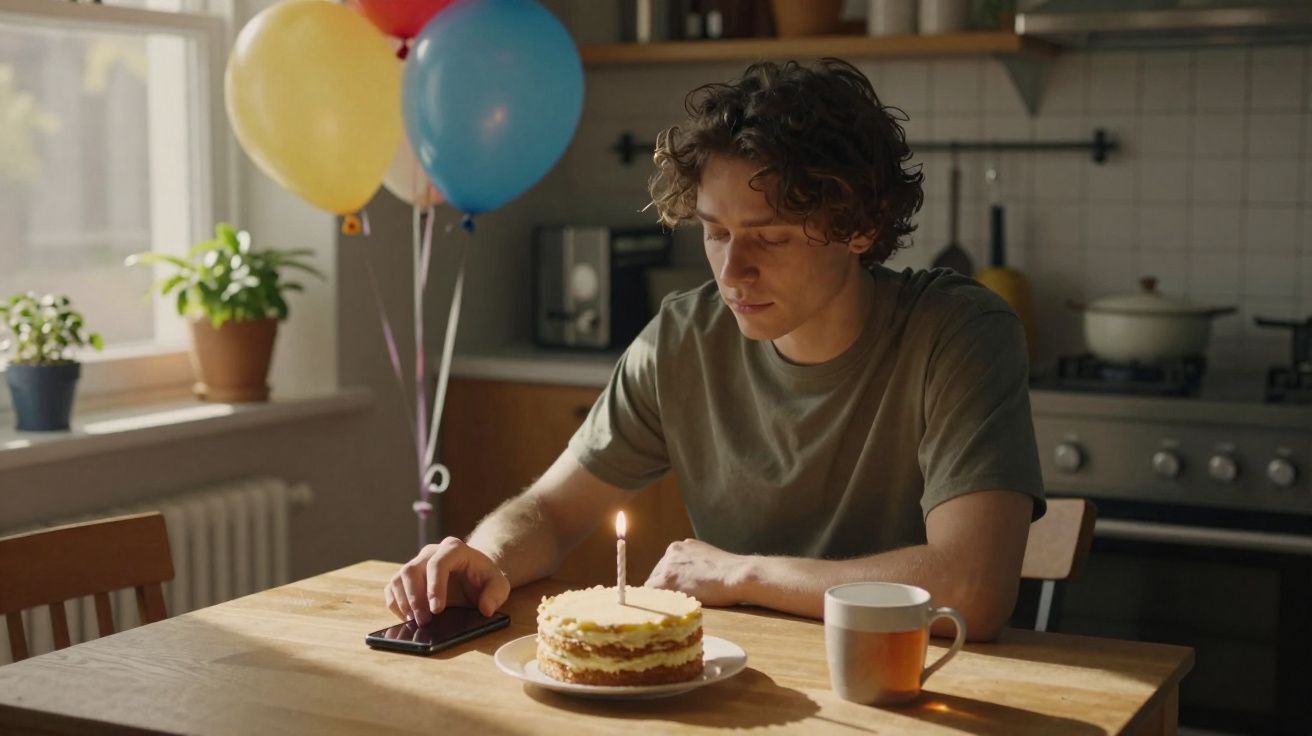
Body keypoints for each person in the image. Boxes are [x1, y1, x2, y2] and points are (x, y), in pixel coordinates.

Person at [385, 58, 1045, 642]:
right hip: (736, 687)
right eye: (716, 231)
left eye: (771, 238)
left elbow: (973, 590)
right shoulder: (682, 339)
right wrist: (487, 555)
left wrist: (744, 575)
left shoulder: (959, 332)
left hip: (915, 691)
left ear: (861, 227)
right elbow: (552, 513)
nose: (732, 271)